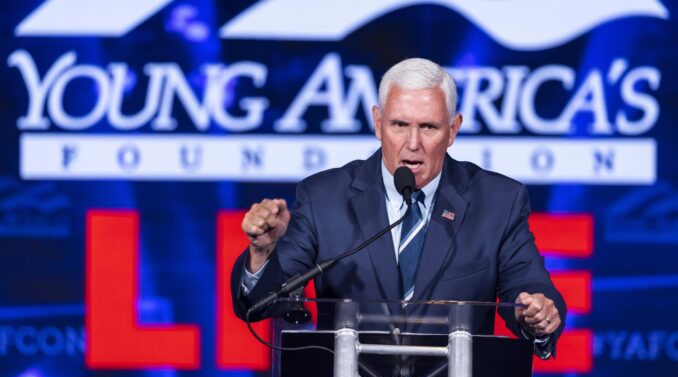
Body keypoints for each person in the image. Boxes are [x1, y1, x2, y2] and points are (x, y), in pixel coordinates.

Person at [231, 58, 566, 358]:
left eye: (429, 127)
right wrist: (262, 253)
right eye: (400, 125)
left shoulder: (497, 201)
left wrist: (537, 314)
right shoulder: (325, 197)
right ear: (378, 124)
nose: (413, 143)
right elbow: (261, 303)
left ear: (453, 130)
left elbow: (531, 289)